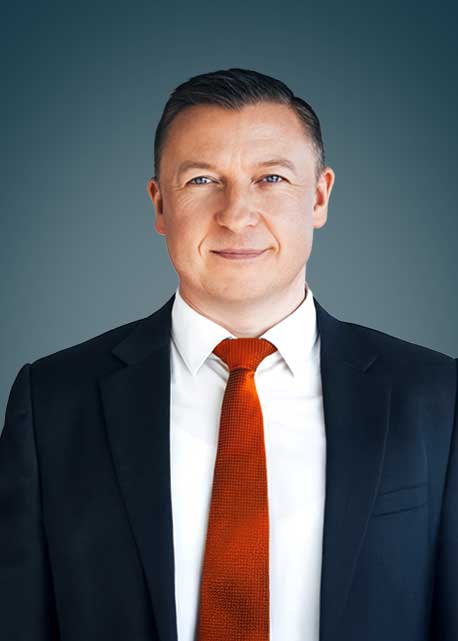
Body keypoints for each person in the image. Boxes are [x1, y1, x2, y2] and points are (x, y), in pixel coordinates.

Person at [0, 68, 456, 641]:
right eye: (201, 180)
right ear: (159, 204)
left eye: (271, 178)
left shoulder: (436, 398)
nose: (237, 213)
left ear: (319, 196)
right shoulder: (53, 402)